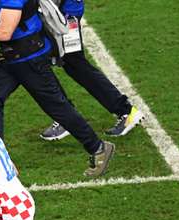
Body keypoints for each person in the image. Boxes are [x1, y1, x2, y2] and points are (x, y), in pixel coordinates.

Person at [0, 0, 115, 177]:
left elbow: (5, 31)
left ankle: (98, 148)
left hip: (30, 59)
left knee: (57, 107)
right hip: (10, 57)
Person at [39, 0, 143, 142]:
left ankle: (124, 111)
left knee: (70, 64)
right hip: (63, 13)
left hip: (62, 15)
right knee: (71, 65)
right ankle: (67, 117)